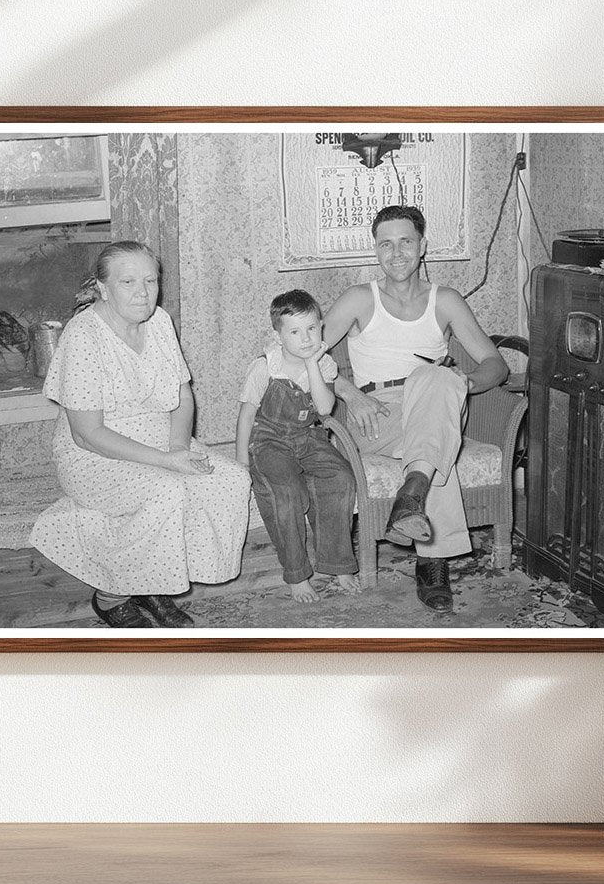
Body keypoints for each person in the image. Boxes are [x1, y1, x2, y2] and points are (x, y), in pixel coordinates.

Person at [31, 241, 251, 628]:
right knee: (166, 489)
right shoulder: (83, 335)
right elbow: (86, 434)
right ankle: (111, 596)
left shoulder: (160, 322)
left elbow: (183, 396)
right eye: (128, 281)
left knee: (231, 480)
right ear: (101, 287)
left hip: (161, 438)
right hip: (95, 455)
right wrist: (168, 463)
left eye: (150, 280)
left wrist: (178, 447)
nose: (143, 292)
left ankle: (155, 583)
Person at [322, 206, 508, 614]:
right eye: (385, 244)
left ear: (422, 247)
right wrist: (351, 394)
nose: (396, 252)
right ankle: (432, 561)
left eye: (406, 241)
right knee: (437, 432)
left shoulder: (446, 301)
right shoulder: (359, 298)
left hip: (436, 402)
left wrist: (462, 383)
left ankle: (412, 495)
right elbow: (304, 354)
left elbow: (495, 364)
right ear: (376, 251)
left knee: (434, 381)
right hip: (376, 414)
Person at [236, 290, 360, 603]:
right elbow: (246, 416)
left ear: (322, 328)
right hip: (269, 439)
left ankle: (338, 564)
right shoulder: (264, 367)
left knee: (340, 478)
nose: (305, 339)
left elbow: (323, 409)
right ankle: (296, 572)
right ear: (277, 336)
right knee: (286, 491)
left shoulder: (326, 365)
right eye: (294, 331)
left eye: (312, 329)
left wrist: (313, 365)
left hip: (309, 436)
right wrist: (241, 464)